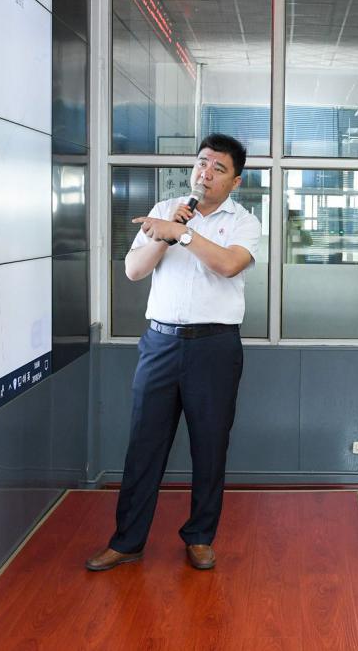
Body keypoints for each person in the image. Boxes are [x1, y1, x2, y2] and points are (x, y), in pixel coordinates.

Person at [85, 133, 260, 573]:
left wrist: (182, 233)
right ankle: (127, 541)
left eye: (218, 168)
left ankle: (199, 538)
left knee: (210, 446)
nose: (206, 172)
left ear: (235, 181)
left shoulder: (244, 222)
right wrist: (165, 234)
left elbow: (228, 265)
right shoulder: (165, 210)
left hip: (214, 347)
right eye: (202, 162)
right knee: (144, 445)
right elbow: (133, 270)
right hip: (160, 343)